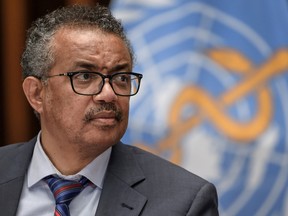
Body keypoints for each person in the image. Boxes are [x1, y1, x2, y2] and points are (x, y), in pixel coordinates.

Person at [0, 4, 219, 216]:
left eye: (121, 78)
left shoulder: (184, 202)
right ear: (37, 93)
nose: (109, 94)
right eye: (85, 76)